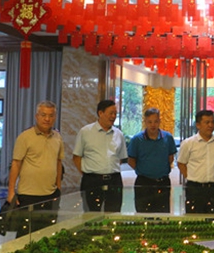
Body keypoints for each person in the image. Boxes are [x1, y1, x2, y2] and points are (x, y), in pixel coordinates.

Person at [7, 100, 64, 236]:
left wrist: (58, 187)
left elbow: (58, 162)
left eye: (51, 115)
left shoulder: (57, 137)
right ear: (36, 116)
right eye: (43, 115)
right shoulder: (25, 137)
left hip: (50, 194)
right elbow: (16, 164)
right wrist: (11, 191)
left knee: (47, 233)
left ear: (55, 117)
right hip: (28, 195)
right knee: (25, 234)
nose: (47, 119)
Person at [73, 100, 127, 212]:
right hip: (92, 180)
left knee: (114, 214)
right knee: (91, 214)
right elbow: (77, 157)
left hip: (114, 180)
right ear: (100, 113)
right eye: (111, 113)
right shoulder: (85, 132)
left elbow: (120, 159)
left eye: (115, 113)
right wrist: (90, 173)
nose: (113, 116)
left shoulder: (119, 134)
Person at [177, 110, 214, 214]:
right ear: (198, 125)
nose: (210, 125)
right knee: (194, 219)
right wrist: (191, 176)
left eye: (212, 122)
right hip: (194, 189)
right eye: (207, 122)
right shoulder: (188, 143)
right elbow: (181, 163)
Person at [127, 108, 177, 213]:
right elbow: (131, 160)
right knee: (143, 213)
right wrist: (143, 169)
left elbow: (170, 157)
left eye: (155, 121)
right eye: (149, 122)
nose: (153, 125)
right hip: (143, 182)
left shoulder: (167, 137)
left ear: (159, 121)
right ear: (145, 122)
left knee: (163, 214)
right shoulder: (137, 139)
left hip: (163, 182)